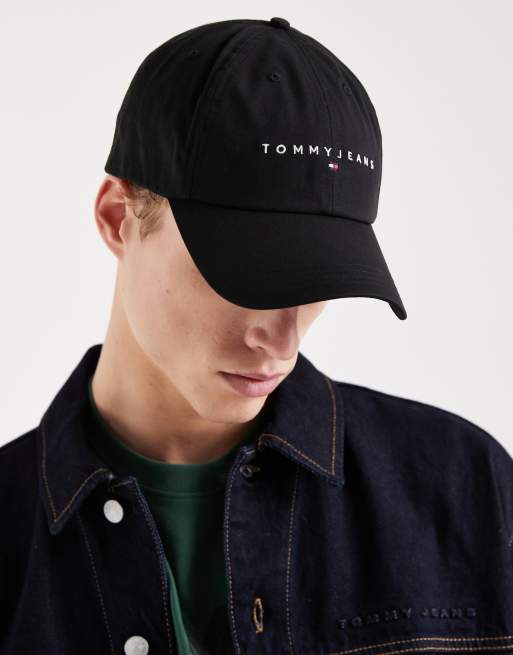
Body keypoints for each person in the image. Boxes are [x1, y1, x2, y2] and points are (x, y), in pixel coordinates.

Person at [2, 16, 513, 655]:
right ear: (117, 218)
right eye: (241, 275)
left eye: (320, 279)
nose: (281, 341)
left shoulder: (466, 491)